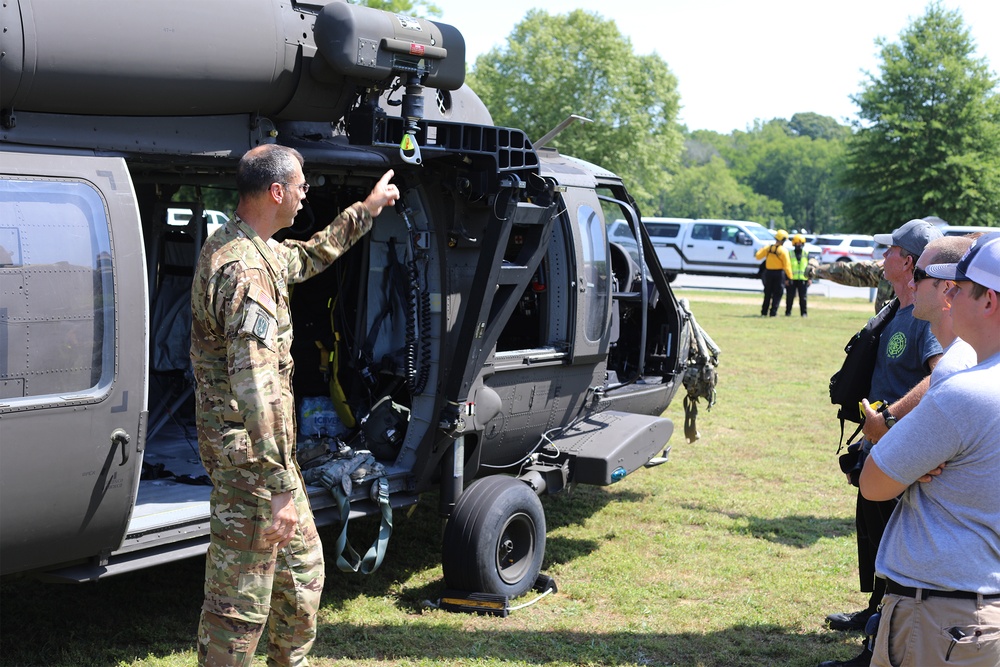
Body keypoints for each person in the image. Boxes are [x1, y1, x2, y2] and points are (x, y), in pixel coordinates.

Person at [190, 144, 399, 666]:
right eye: (302, 185)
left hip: (273, 465)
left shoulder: (257, 248)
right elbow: (256, 388)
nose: (308, 193)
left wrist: (366, 210)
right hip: (251, 467)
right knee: (238, 609)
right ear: (276, 191)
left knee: (303, 578)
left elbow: (310, 254)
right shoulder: (244, 273)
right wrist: (280, 486)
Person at [858, 231, 1000, 667]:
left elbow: (874, 482)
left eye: (958, 288)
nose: (949, 297)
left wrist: (909, 452)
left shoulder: (967, 394)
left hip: (944, 617)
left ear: (989, 301)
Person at [819, 219, 943, 667]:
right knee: (874, 535)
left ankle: (878, 646)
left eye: (889, 250)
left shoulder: (925, 319)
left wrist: (889, 418)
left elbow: (938, 377)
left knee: (895, 541)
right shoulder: (895, 307)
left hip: (900, 448)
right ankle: (874, 614)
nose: (882, 257)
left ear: (907, 261)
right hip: (878, 445)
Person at [810, 258, 894, 313]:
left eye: (894, 249)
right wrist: (814, 271)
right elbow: (852, 271)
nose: (886, 254)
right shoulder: (888, 269)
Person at [755, 229, 792, 316]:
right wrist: (790, 277)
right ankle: (773, 312)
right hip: (779, 274)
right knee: (778, 293)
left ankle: (764, 312)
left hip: (768, 273)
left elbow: (758, 256)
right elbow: (787, 265)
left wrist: (761, 249)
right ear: (783, 240)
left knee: (767, 293)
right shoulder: (783, 251)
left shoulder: (768, 248)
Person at [785, 234, 813, 316]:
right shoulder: (789, 254)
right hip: (791, 279)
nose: (799, 245)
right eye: (797, 243)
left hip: (803, 279)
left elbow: (810, 267)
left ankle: (804, 313)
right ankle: (788, 312)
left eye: (800, 243)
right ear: (794, 244)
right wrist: (786, 278)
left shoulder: (806, 254)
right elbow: (786, 266)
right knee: (790, 297)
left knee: (803, 298)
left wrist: (810, 278)